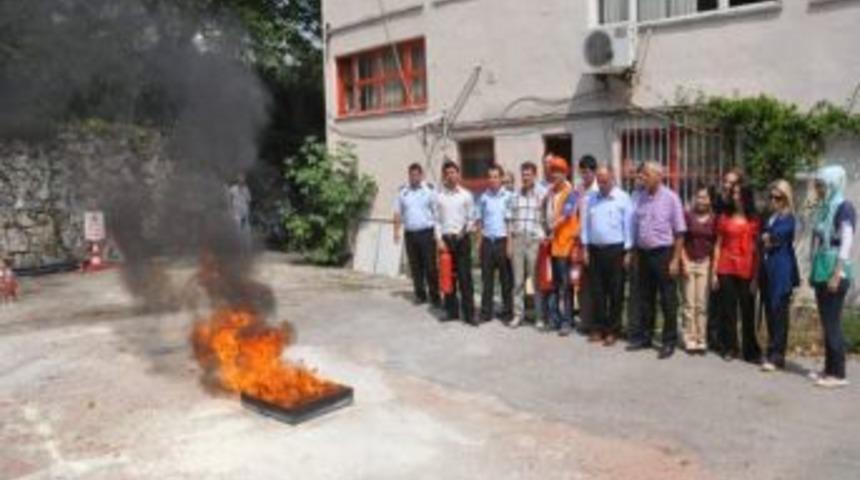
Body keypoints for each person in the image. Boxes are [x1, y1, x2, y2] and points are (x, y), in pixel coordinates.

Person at [628, 161, 687, 359]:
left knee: (668, 299)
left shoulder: (671, 198)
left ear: (659, 176)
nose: (643, 178)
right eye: (642, 174)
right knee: (646, 297)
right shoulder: (640, 197)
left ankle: (668, 341)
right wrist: (635, 253)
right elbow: (637, 227)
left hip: (664, 253)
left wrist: (675, 259)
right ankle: (646, 336)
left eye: (646, 174)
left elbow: (679, 232)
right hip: (644, 253)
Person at [809, 165, 855, 388]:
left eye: (821, 185)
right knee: (827, 323)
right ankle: (829, 369)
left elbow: (846, 241)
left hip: (835, 270)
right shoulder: (825, 207)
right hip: (822, 269)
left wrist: (837, 273)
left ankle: (839, 374)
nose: (817, 189)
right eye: (817, 185)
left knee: (832, 323)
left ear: (833, 184)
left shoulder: (844, 207)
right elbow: (818, 237)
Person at [580, 165, 634, 346]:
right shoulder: (591, 198)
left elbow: (628, 226)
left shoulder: (623, 198)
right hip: (595, 250)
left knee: (615, 291)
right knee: (597, 291)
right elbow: (586, 225)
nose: (601, 184)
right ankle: (598, 327)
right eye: (599, 180)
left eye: (604, 180)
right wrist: (585, 248)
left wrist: (628, 252)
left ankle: (613, 330)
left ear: (612, 178)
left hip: (616, 250)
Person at [712, 183, 761, 363]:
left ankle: (750, 351)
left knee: (748, 311)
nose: (735, 197)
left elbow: (757, 250)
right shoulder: (724, 217)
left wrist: (756, 276)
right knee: (728, 310)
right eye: (733, 193)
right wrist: (714, 273)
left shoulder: (754, 219)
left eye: (739, 193)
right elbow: (718, 245)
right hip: (726, 267)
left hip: (747, 268)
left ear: (746, 196)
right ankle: (730, 347)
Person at [759, 179, 800, 372]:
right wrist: (767, 237)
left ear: (786, 198)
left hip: (782, 271)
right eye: (771, 196)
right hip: (768, 269)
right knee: (769, 311)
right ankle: (771, 350)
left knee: (779, 313)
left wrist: (768, 237)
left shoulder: (789, 218)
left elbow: (776, 237)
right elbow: (762, 237)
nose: (774, 200)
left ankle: (777, 356)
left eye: (778, 197)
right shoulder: (771, 217)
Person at [435, 160, 477, 326]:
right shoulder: (439, 197)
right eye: (447, 173)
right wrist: (439, 239)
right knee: (448, 277)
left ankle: (469, 314)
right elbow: (436, 220)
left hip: (462, 239)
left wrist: (464, 231)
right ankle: (451, 311)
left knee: (465, 278)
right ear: (444, 176)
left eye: (453, 172)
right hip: (446, 241)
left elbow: (472, 218)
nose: (450, 176)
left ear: (458, 174)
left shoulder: (466, 195)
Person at [507, 161, 548, 329]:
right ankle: (518, 315)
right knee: (518, 281)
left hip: (534, 242)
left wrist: (543, 237)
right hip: (518, 240)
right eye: (523, 174)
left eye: (529, 174)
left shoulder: (542, 195)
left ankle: (540, 316)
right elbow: (510, 221)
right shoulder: (515, 196)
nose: (525, 177)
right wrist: (509, 243)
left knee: (536, 281)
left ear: (535, 175)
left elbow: (546, 218)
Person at [393, 163, 440, 307]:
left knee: (430, 266)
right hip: (410, 234)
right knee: (415, 266)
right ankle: (420, 295)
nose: (414, 177)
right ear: (409, 176)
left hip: (427, 233)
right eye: (411, 175)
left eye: (416, 175)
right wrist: (396, 231)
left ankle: (435, 296)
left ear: (421, 175)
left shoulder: (429, 190)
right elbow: (397, 212)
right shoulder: (403, 192)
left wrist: (438, 233)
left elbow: (437, 212)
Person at [544, 156, 581, 336]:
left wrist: (551, 226)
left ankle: (567, 321)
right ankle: (554, 319)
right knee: (554, 284)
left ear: (565, 173)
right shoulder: (550, 192)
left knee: (566, 286)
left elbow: (565, 215)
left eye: (559, 171)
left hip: (565, 245)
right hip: (552, 245)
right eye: (553, 171)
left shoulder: (572, 192)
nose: (555, 175)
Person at [708, 168, 744, 351]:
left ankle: (727, 341)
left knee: (727, 302)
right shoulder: (717, 200)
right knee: (714, 299)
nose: (727, 185)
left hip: (728, 255)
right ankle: (713, 338)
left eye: (731, 182)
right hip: (712, 249)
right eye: (725, 181)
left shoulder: (736, 207)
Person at [680, 186, 717, 354]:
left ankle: (701, 339)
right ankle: (690, 338)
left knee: (702, 304)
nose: (701, 201)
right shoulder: (688, 216)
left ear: (710, 200)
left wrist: (713, 267)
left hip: (705, 263)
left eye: (704, 197)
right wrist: (683, 260)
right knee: (689, 303)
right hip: (689, 261)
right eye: (699, 197)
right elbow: (680, 239)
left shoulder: (714, 219)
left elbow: (716, 244)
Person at [476, 165, 514, 323]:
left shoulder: (509, 197)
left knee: (506, 280)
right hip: (487, 242)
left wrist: (510, 244)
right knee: (487, 280)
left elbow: (510, 222)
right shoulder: (483, 197)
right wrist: (479, 243)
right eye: (490, 176)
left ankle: (508, 312)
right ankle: (486, 312)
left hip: (503, 241)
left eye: (496, 176)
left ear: (501, 178)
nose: (492, 180)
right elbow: (480, 221)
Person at [576, 154, 600, 334]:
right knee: (581, 282)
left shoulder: (599, 190)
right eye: (582, 172)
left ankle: (596, 323)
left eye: (587, 172)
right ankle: (585, 320)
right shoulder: (579, 189)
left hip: (595, 242)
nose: (585, 175)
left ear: (594, 171)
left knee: (595, 284)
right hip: (579, 242)